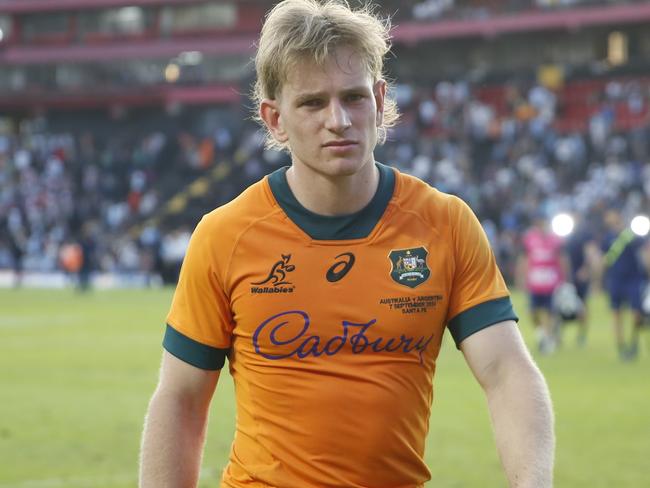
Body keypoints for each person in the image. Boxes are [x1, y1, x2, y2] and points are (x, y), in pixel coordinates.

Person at [139, 1, 555, 487]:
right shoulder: (225, 235)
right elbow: (181, 399)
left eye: (354, 98)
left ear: (380, 100)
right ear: (274, 119)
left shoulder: (445, 224)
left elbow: (507, 373)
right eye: (312, 103)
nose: (338, 120)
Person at [517, 211, 569, 354]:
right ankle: (541, 333)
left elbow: (562, 258)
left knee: (550, 312)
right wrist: (522, 277)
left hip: (552, 281)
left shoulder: (555, 239)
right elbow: (524, 259)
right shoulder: (529, 239)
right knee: (533, 312)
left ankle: (548, 339)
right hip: (535, 282)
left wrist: (564, 279)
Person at [601, 208, 649, 360]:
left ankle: (633, 342)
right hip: (615, 280)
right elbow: (605, 259)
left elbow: (644, 254)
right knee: (616, 314)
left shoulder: (632, 236)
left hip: (633, 279)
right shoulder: (607, 237)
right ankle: (621, 347)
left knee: (636, 313)